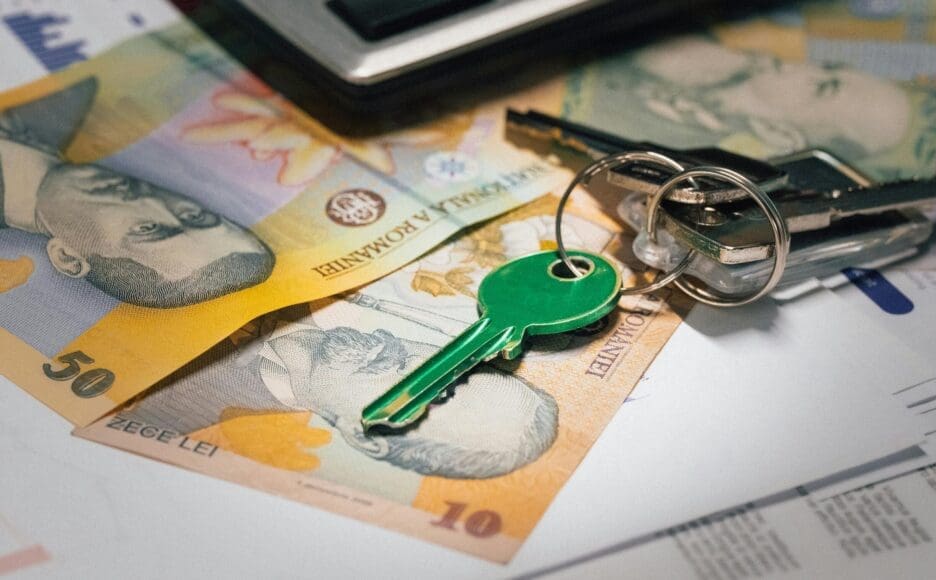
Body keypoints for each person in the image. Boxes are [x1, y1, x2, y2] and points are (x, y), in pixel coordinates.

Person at [122, 305, 560, 480]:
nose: (415, 367)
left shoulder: (168, 415)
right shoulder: (310, 291)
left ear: (362, 437)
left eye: (434, 396)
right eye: (462, 370)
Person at [0, 77, 274, 308]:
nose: (148, 200)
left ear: (66, 256)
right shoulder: (72, 94)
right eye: (194, 215)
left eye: (146, 228)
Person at [628, 37, 914, 159]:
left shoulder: (682, 150)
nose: (807, 66)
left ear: (781, 135)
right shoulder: (716, 51)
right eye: (827, 66)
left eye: (822, 87)